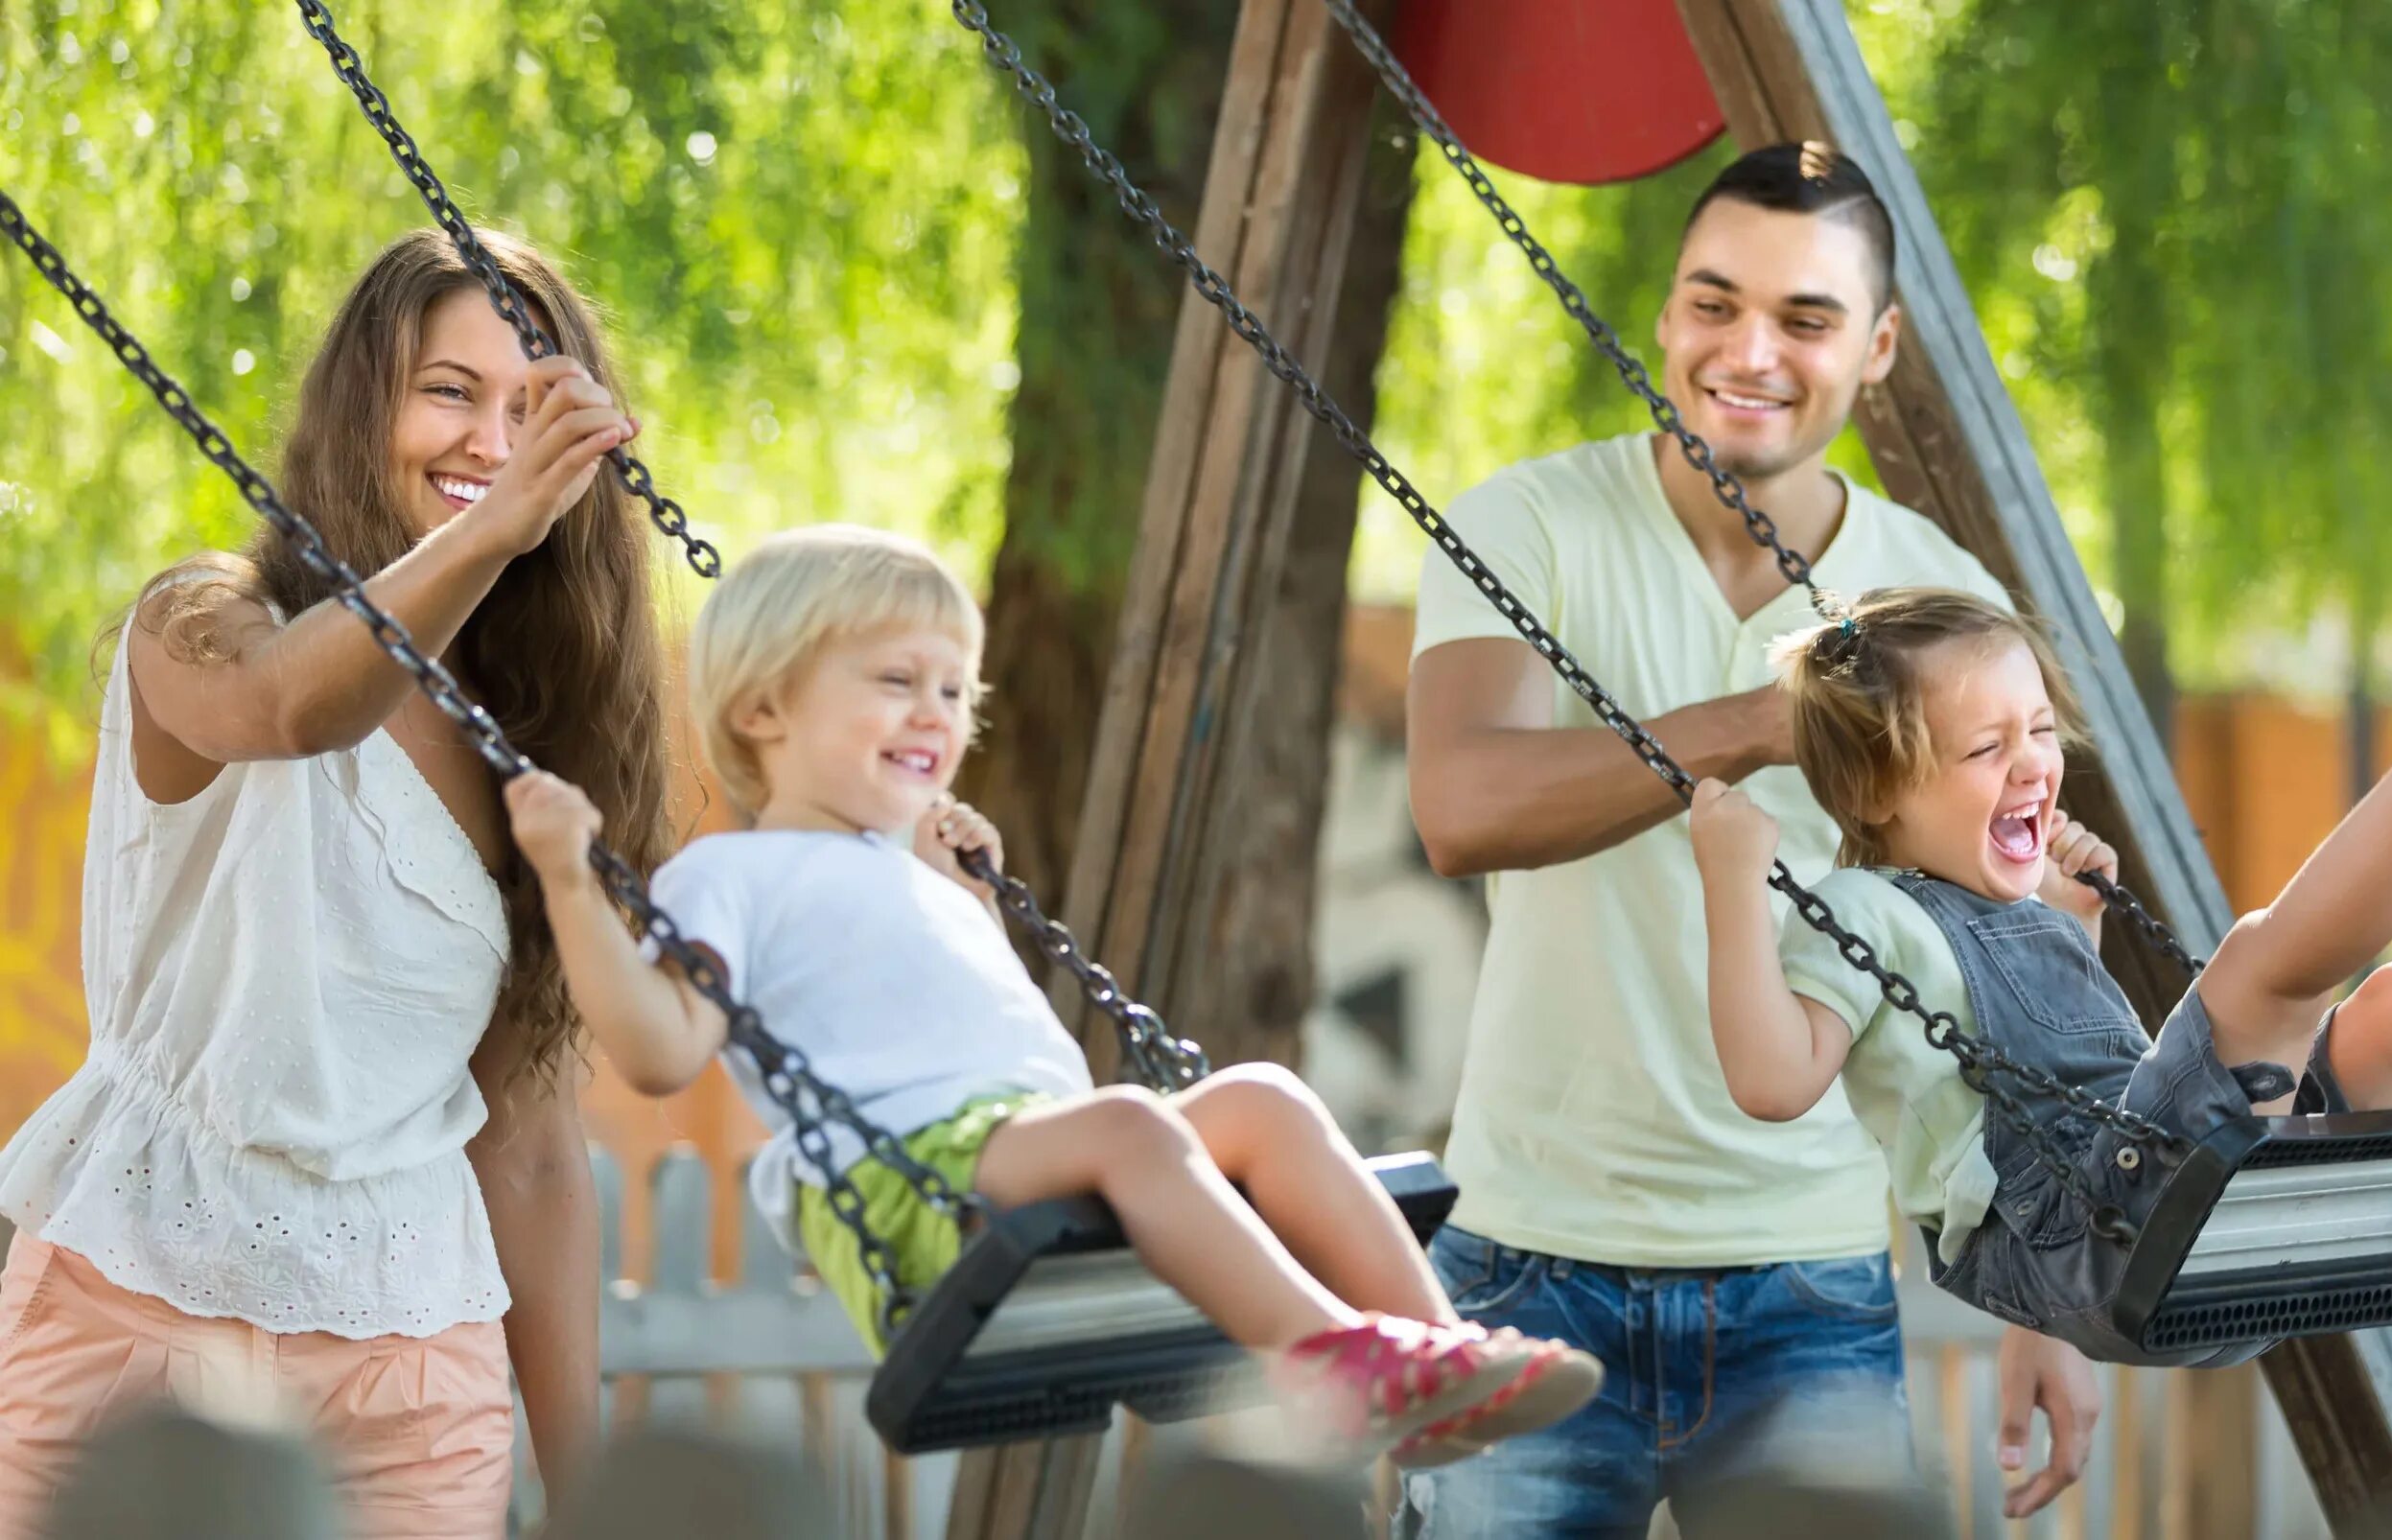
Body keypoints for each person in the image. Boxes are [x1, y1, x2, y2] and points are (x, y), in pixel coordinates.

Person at [503, 525, 1603, 1464]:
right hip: (916, 1188)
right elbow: (659, 1049)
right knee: (1129, 1121)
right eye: (895, 681)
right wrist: (568, 879)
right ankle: (1333, 1359)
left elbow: (985, 1032)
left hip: (1020, 1146)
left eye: (951, 687)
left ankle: (1439, 1357)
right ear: (762, 711)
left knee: (1262, 1094)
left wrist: (964, 899)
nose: (936, 713)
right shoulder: (728, 875)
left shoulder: (912, 867)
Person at [1398, 142, 2101, 1536]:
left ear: (1881, 344)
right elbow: (1462, 806)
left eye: (1806, 317)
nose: (1749, 349)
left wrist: (2055, 1304)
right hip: (1527, 1264)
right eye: (1712, 303)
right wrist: (1759, 722)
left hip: (1813, 1284)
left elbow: (1998, 962)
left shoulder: (1940, 597)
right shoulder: (1527, 523)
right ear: (1663, 314)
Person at [1690, 504, 2392, 1364]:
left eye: (2039, 727)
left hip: (2186, 1226)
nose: (2035, 760)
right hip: (2097, 1242)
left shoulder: (1998, 908)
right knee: (2257, 971)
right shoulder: (1866, 911)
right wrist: (1734, 884)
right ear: (1879, 793)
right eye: (1988, 750)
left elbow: (2048, 1071)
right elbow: (1772, 1079)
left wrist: (2071, 932)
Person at [0, 227, 663, 1536]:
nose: (491, 439)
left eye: (529, 406)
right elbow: (296, 707)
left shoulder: (538, 743)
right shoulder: (206, 615)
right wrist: (500, 527)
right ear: (366, 407)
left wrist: (591, 1493)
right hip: (136, 1298)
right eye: (450, 391)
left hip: (412, 1369)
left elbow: (525, 1151)